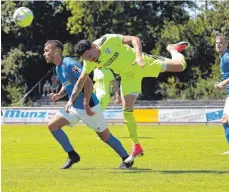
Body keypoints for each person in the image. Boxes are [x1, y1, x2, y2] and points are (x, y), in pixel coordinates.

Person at [68, 34, 189, 163]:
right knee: (126, 111)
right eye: (87, 58)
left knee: (181, 66)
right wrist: (71, 100)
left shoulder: (108, 40)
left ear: (93, 46)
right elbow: (80, 82)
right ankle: (136, 146)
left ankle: (172, 49)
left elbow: (134, 39)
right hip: (128, 77)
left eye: (90, 56)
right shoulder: (88, 62)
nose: (90, 60)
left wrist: (138, 56)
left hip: (144, 63)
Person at [43, 40, 134, 169]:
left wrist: (86, 103)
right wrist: (59, 95)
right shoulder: (58, 68)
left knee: (104, 136)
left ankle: (127, 159)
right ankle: (72, 155)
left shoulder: (70, 64)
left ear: (56, 51)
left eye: (47, 50)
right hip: (74, 107)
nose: (44, 54)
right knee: (53, 125)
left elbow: (88, 82)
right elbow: (68, 84)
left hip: (89, 106)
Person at [214, 35, 229, 155]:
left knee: (225, 121)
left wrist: (223, 83)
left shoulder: (227, 57)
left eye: (221, 43)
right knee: (225, 121)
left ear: (226, 44)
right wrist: (220, 84)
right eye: (216, 43)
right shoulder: (223, 57)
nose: (218, 44)